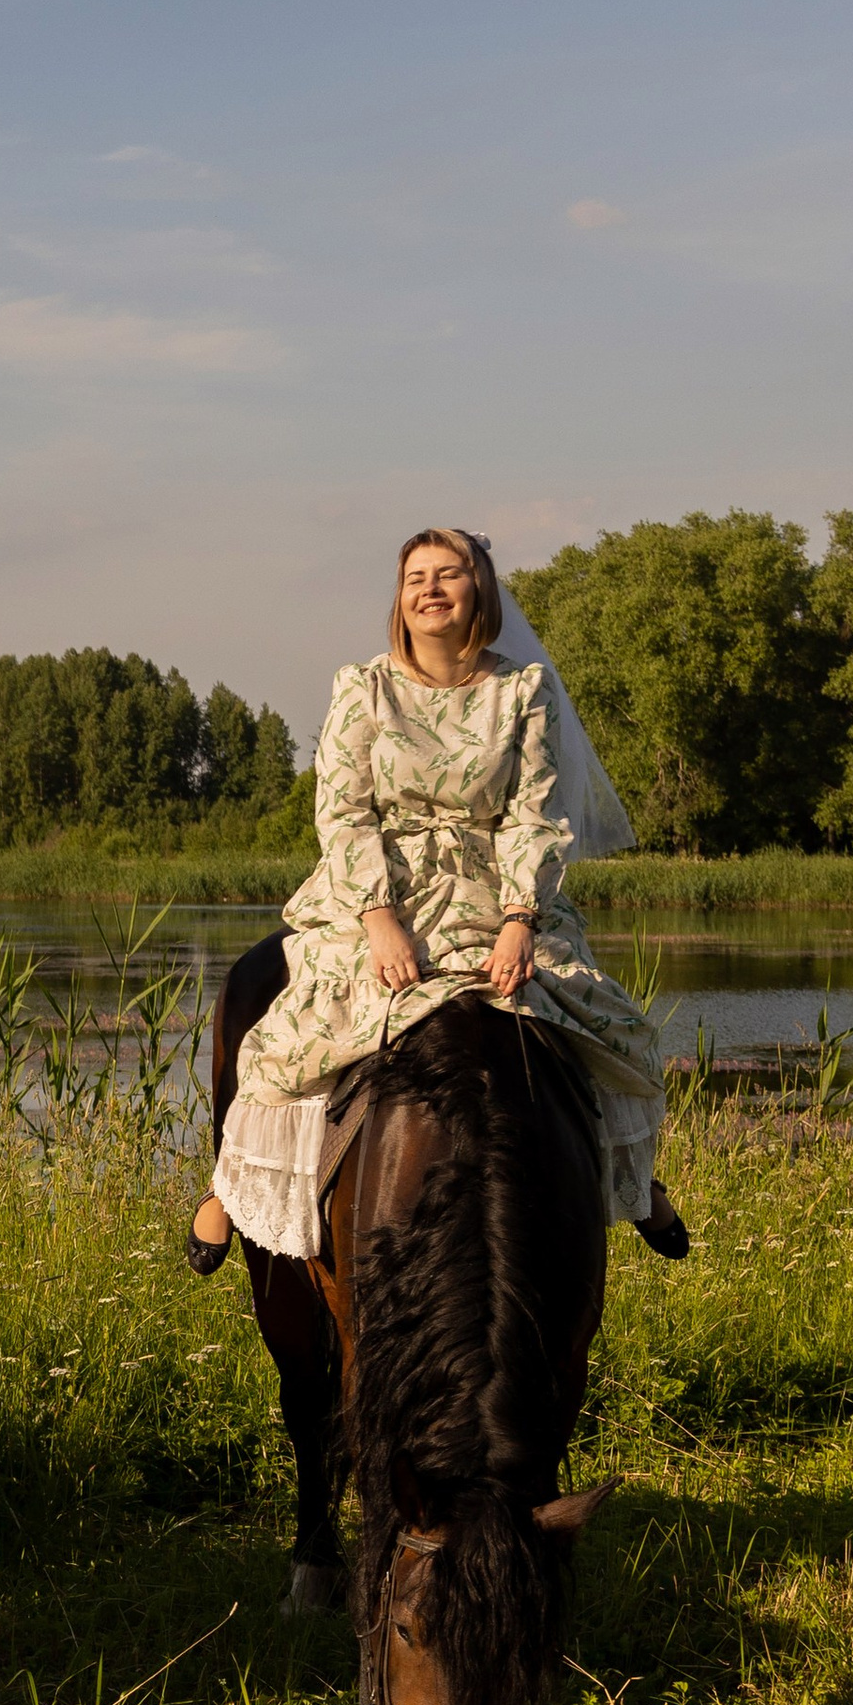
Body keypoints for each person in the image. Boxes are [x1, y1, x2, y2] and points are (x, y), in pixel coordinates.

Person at [187, 525, 685, 1274]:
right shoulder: (362, 687)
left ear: (478, 589)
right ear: (401, 596)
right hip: (381, 890)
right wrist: (379, 920)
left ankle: (632, 1178)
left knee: (594, 1016)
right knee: (298, 1025)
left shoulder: (523, 691)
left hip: (496, 885)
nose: (429, 588)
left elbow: (537, 813)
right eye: (415, 576)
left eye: (448, 574)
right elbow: (345, 810)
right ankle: (232, 1186)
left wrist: (521, 918)